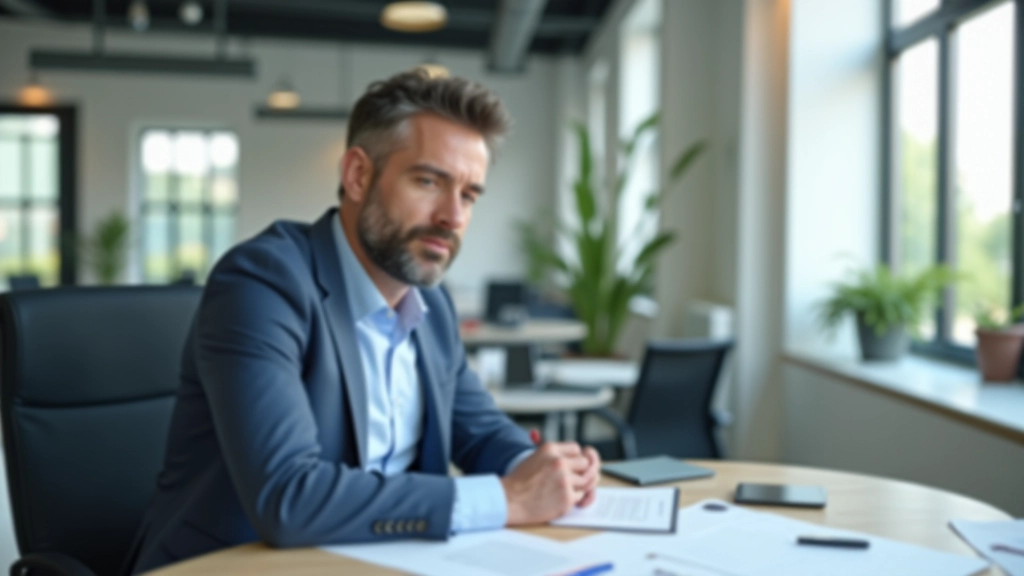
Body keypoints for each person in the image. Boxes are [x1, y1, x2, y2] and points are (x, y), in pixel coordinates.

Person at [124, 69, 601, 574]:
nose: (453, 217)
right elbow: (288, 497)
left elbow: (480, 434)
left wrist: (541, 469)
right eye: (428, 181)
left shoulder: (432, 307)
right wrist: (506, 499)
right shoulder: (262, 284)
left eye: (468, 195)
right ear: (357, 175)